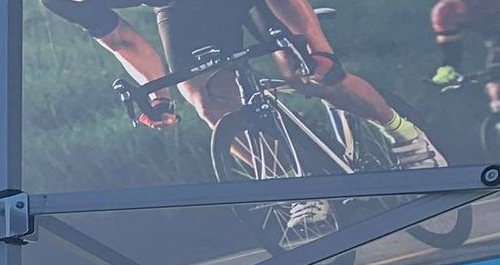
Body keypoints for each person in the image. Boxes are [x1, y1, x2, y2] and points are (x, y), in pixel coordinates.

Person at [44, 0, 445, 165]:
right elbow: (123, 41)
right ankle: (291, 187)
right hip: (181, 7)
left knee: (308, 75)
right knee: (206, 101)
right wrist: (159, 97)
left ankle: (405, 134)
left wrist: (319, 49)